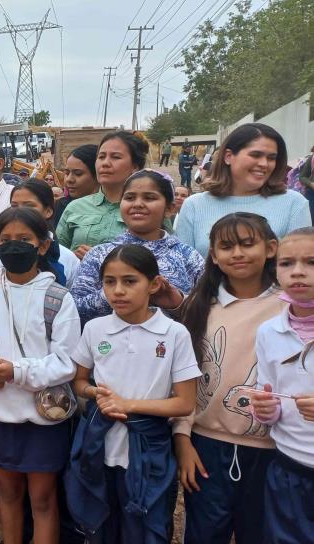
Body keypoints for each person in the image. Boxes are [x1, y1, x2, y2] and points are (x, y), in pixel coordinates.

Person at [67, 244, 200, 543]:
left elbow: (185, 402)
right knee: (102, 522)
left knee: (146, 526)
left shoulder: (174, 333)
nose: (118, 291)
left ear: (153, 284)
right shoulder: (95, 329)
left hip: (149, 449)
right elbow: (79, 380)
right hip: (99, 444)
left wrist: (128, 404)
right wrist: (95, 393)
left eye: (130, 281)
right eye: (109, 282)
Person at [173, 212, 282, 544]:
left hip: (272, 449)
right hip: (205, 446)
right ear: (213, 255)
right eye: (226, 246)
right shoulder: (200, 305)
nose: (237, 253)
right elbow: (185, 377)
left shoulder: (290, 308)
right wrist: (183, 439)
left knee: (260, 533)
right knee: (205, 534)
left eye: (248, 244)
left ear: (271, 248)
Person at [0, 206, 81, 544]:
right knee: (7, 494)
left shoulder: (57, 299)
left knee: (43, 498)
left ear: (42, 245)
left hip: (42, 416)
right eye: (5, 239)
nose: (13, 245)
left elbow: (67, 362)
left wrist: (16, 371)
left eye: (23, 239)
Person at [71, 169, 204, 324]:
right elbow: (74, 311)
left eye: (149, 198)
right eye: (129, 197)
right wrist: (115, 292)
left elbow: (212, 312)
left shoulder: (188, 257)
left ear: (169, 209)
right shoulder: (99, 254)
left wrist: (177, 303)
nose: (138, 204)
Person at [251, 227, 314, 544]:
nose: (298, 272)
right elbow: (269, 398)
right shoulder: (269, 332)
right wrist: (265, 410)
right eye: (287, 263)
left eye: (312, 262)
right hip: (290, 466)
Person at [176, 123, 311, 257]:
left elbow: (302, 266)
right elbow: (184, 268)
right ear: (228, 156)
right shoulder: (193, 205)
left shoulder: (294, 203)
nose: (264, 164)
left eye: (271, 158)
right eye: (255, 155)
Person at [57, 131, 149, 259]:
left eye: (115, 157)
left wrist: (102, 259)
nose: (105, 163)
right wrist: (72, 258)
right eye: (101, 157)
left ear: (135, 166)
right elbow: (56, 257)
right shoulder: (75, 207)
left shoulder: (148, 209)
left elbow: (164, 259)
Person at [0, 179, 81, 287]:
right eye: (14, 206)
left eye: (29, 206)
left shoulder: (68, 259)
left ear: (48, 211)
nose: (20, 212)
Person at [54, 144, 100, 230]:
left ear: (97, 175)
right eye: (67, 173)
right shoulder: (61, 206)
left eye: (78, 174)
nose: (69, 179)